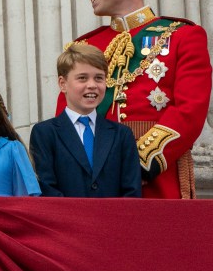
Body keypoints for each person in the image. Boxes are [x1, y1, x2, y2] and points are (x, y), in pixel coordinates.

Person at [60, 0, 212, 198]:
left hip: (156, 180)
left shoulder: (182, 36)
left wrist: (136, 164)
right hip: (92, 183)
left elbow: (189, 112)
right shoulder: (84, 47)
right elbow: (66, 118)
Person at [34, 44, 141, 197]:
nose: (92, 85)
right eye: (82, 78)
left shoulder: (121, 134)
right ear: (62, 84)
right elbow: (47, 188)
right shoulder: (45, 133)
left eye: (99, 78)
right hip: (66, 219)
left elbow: (132, 190)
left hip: (114, 219)